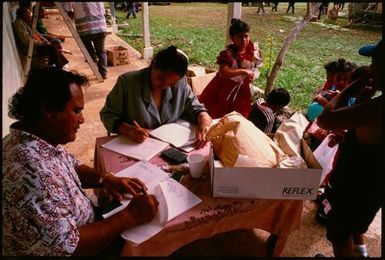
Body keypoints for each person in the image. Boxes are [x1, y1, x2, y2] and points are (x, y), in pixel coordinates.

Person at [2, 67, 159, 256]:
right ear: (47, 109)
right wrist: (129, 216)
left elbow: (71, 165)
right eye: (76, 111)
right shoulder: (32, 173)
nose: (83, 119)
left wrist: (105, 179)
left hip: (87, 222)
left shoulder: (33, 138)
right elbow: (70, 247)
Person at [317, 39, 384, 257]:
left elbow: (326, 119)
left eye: (375, 64)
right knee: (357, 223)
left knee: (340, 231)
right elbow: (365, 134)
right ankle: (361, 252)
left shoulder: (377, 108)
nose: (371, 69)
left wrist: (354, 85)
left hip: (356, 182)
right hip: (374, 183)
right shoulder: (372, 107)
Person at [100, 45, 212, 149]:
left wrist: (204, 119)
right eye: (161, 79)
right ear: (154, 64)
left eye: (171, 84)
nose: (164, 85)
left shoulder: (180, 83)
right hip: (139, 146)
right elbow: (108, 115)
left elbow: (195, 107)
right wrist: (128, 130)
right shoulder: (128, 84)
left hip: (171, 146)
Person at [199, 18, 262, 119]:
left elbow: (254, 68)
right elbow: (223, 72)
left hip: (241, 89)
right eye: (240, 37)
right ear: (232, 38)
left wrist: (250, 76)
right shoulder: (228, 54)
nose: (244, 40)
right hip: (224, 87)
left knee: (238, 115)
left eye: (246, 36)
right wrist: (243, 71)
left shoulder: (252, 51)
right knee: (219, 112)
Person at [13, 4, 69, 69]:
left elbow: (36, 33)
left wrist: (45, 40)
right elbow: (26, 40)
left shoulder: (26, 23)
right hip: (30, 48)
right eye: (28, 14)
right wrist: (41, 43)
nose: (30, 16)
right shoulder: (19, 24)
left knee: (53, 45)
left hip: (35, 45)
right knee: (52, 48)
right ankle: (60, 67)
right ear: (23, 15)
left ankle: (57, 65)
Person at [65, 2, 108, 79]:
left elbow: (66, 8)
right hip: (101, 27)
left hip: (85, 28)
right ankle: (103, 73)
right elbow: (103, 12)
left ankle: (93, 56)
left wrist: (72, 13)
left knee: (85, 43)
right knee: (101, 51)